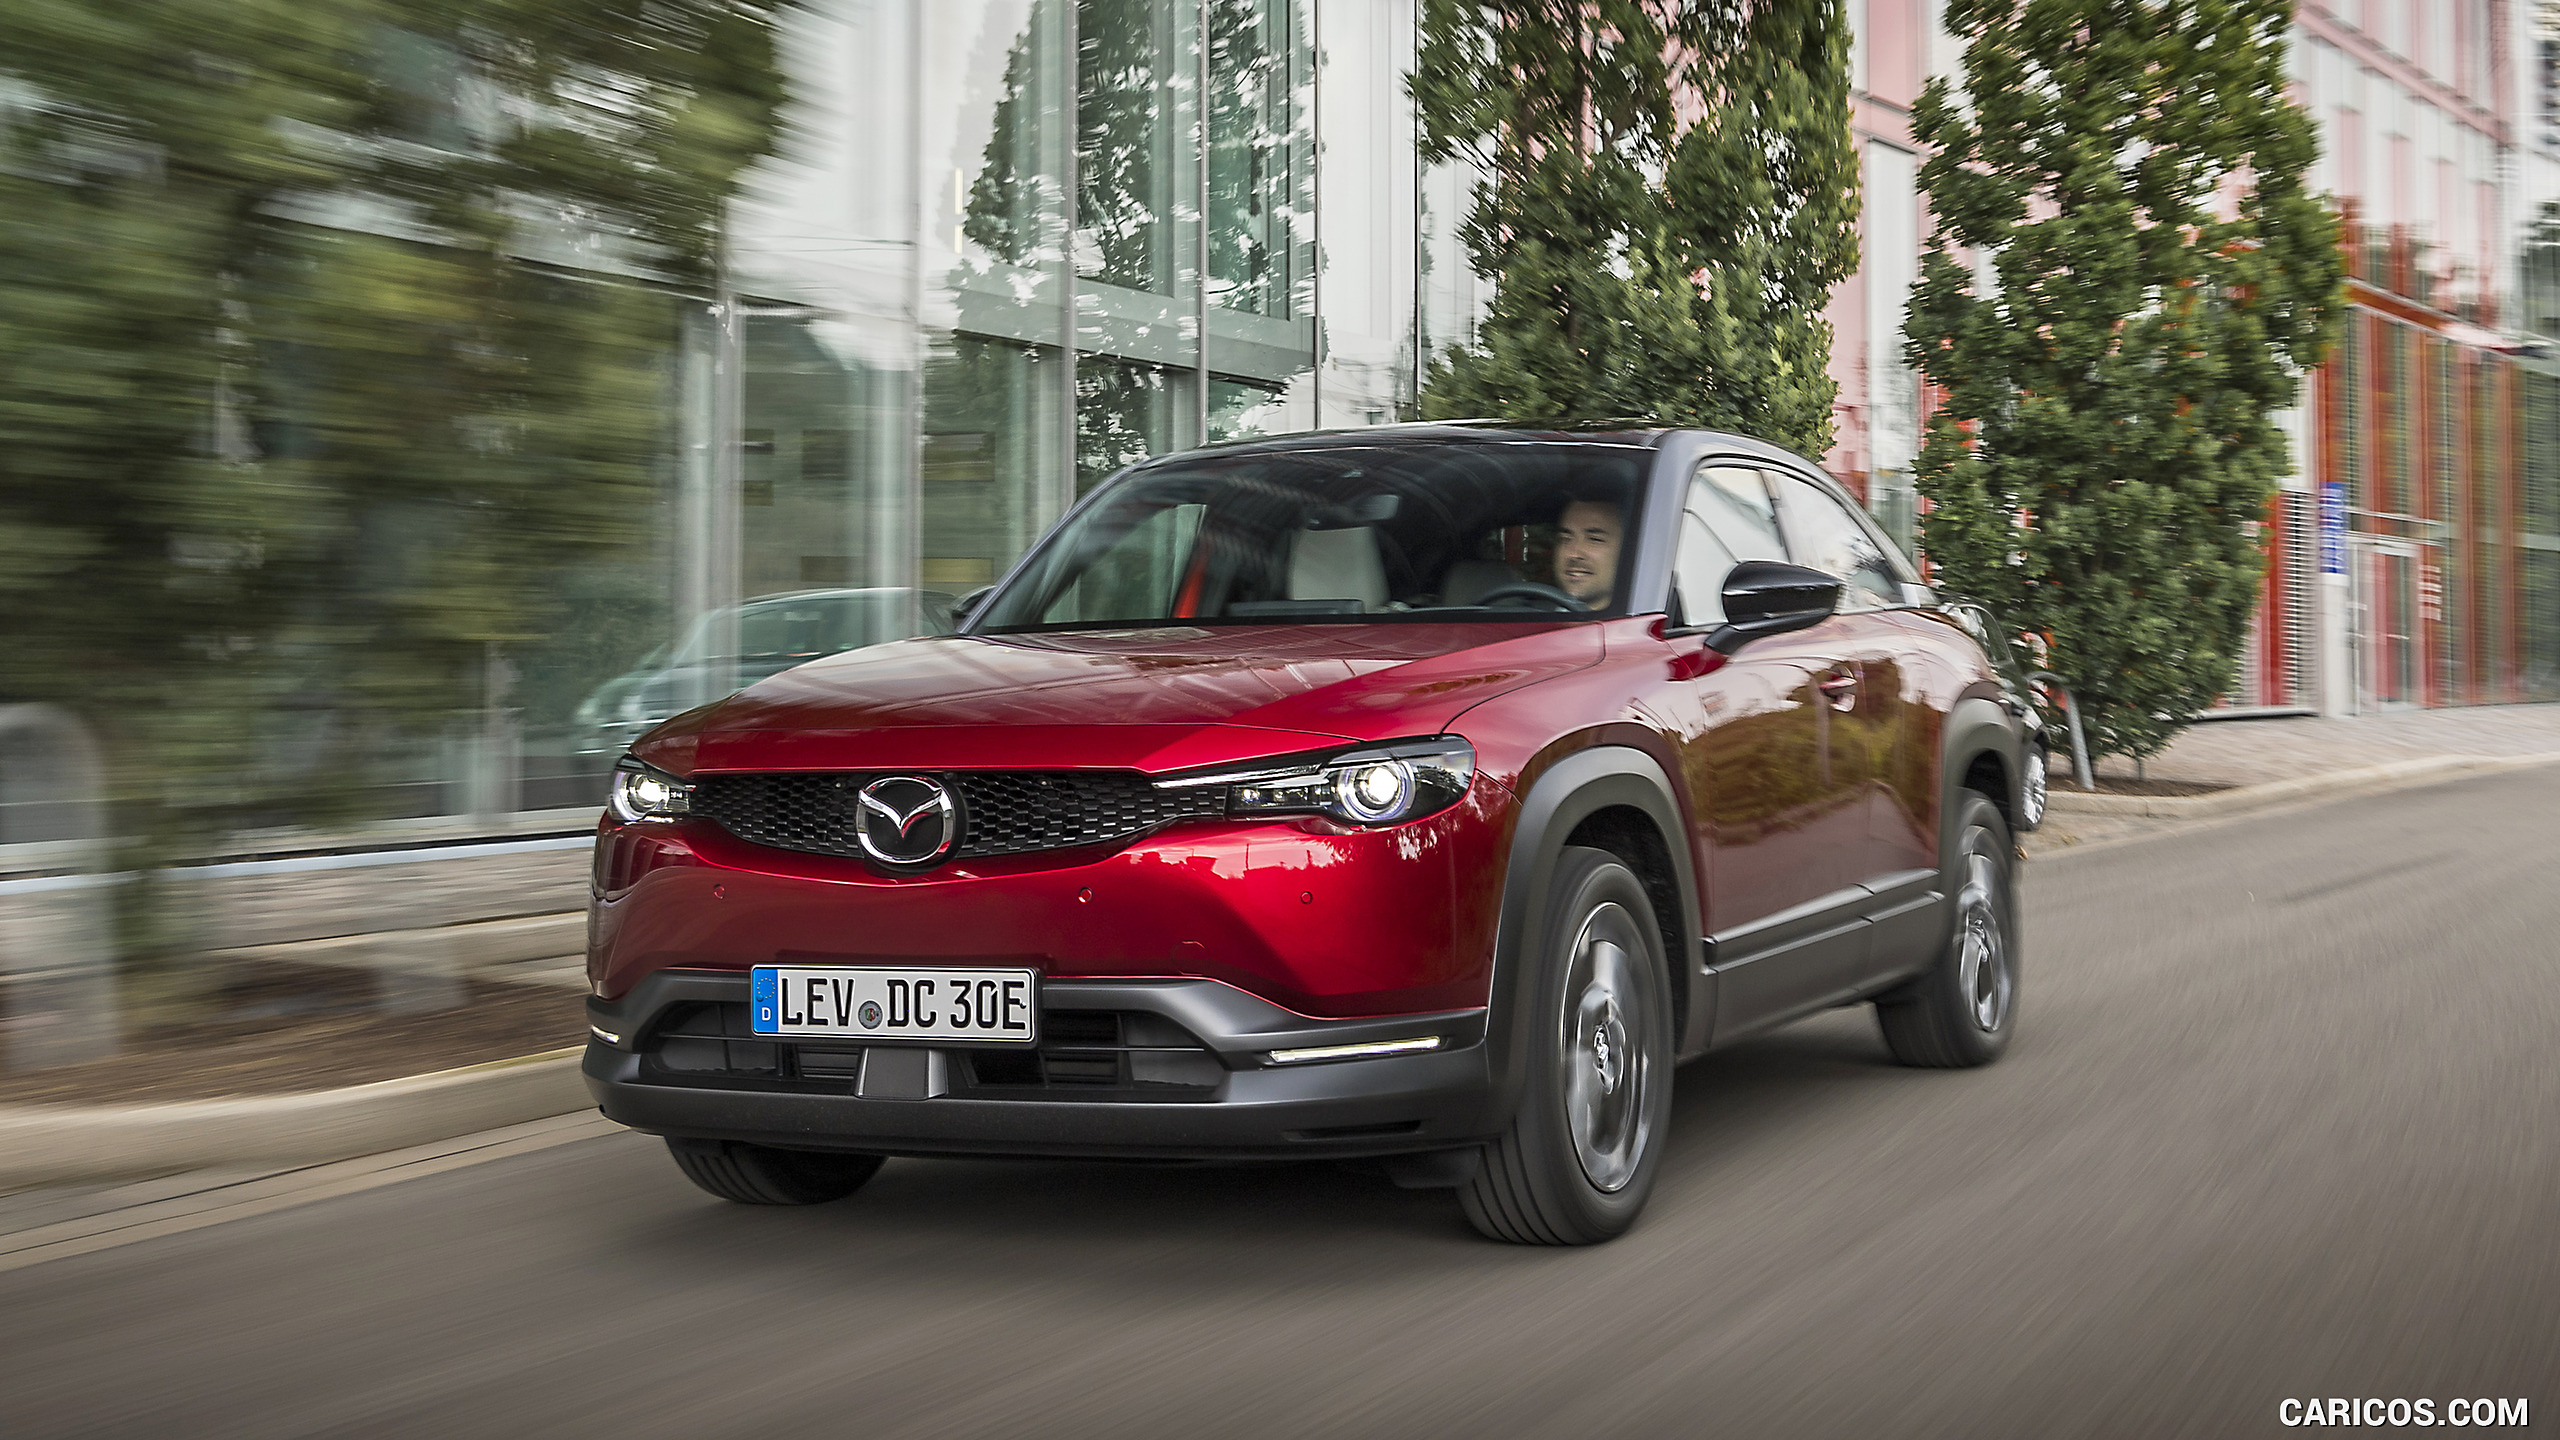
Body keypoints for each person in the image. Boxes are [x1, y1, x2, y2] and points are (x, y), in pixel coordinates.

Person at [1552, 496, 1623, 610]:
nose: (1573, 554)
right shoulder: (1530, 618)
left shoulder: (1642, 624)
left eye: (1594, 539)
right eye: (1565, 539)